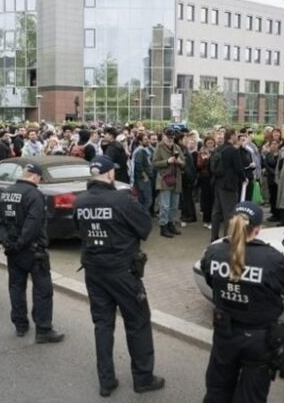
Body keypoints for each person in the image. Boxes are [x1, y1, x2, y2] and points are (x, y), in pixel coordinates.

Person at [72, 155, 164, 397]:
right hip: (122, 272)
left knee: (102, 324)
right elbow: (145, 228)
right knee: (138, 322)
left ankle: (106, 380)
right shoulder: (122, 200)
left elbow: (78, 230)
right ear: (110, 174)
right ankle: (143, 378)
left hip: (94, 271)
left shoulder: (79, 202)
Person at [200, 201, 284, 403]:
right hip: (259, 339)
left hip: (225, 334)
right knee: (251, 397)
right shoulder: (271, 258)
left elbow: (211, 279)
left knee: (217, 390)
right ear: (259, 228)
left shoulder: (214, 252)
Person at [0, 163, 65, 343]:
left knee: (16, 287)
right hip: (33, 251)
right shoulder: (34, 195)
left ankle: (20, 325)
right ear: (34, 176)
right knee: (42, 290)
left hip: (13, 250)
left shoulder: (7, 192)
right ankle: (43, 329)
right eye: (39, 179)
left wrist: (7, 242)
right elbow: (32, 225)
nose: (39, 182)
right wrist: (19, 244)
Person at [210, 128, 246, 242]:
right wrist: (244, 178)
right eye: (236, 134)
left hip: (218, 183)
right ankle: (227, 237)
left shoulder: (219, 149)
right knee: (229, 212)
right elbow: (238, 168)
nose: (238, 137)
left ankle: (214, 236)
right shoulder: (233, 150)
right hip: (229, 185)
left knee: (216, 211)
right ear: (232, 136)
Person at [152, 128, 185, 238]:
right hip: (164, 179)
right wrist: (167, 161)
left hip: (176, 179)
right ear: (164, 136)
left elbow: (184, 162)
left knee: (174, 205)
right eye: (168, 137)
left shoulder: (177, 147)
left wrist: (179, 161)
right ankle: (163, 226)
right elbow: (154, 163)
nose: (170, 139)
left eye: (172, 137)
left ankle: (171, 224)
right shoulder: (159, 147)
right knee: (165, 205)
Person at [131, 133, 154, 214]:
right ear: (140, 142)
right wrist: (145, 176)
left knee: (143, 199)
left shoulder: (143, 150)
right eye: (145, 139)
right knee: (147, 200)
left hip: (142, 179)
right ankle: (143, 219)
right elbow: (138, 165)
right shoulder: (140, 151)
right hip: (142, 179)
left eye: (147, 138)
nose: (147, 140)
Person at [261, 140, 280, 222]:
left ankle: (279, 213)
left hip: (279, 178)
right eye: (272, 144)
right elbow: (266, 164)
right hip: (271, 177)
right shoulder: (268, 155)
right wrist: (273, 172)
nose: (273, 145)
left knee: (278, 196)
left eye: (275, 144)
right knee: (272, 196)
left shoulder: (281, 154)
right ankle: (274, 213)